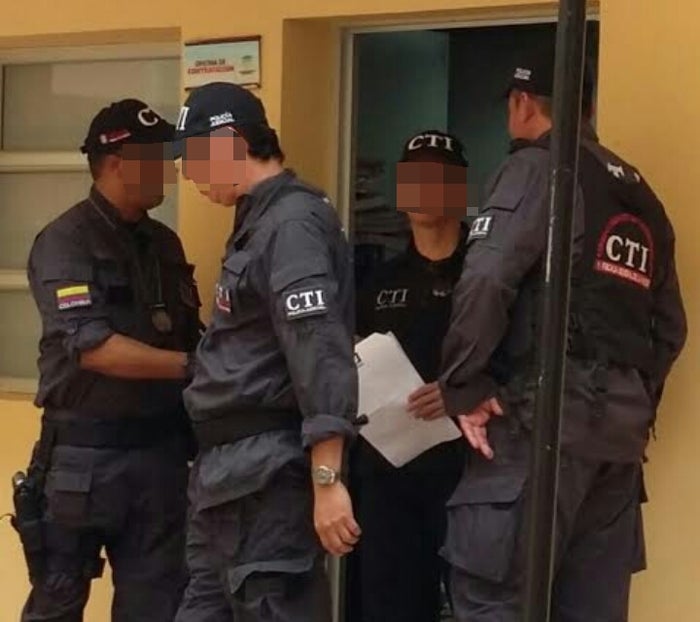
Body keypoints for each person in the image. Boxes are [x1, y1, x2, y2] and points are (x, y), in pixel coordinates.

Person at [411, 50, 687, 621]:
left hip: (536, 424)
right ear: (587, 107)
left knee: (496, 600)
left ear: (521, 103)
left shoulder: (539, 170)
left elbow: (487, 278)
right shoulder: (641, 197)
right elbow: (670, 329)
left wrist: (464, 384)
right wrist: (628, 400)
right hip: (617, 443)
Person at [171, 82, 360, 622]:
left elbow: (318, 352)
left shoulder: (291, 224)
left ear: (231, 142)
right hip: (225, 480)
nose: (189, 175)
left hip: (266, 480)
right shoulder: (258, 220)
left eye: (194, 157)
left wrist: (327, 480)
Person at [21, 99, 202, 622]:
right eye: (157, 158)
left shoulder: (164, 244)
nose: (168, 171)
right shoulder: (66, 241)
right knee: (57, 603)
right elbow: (94, 347)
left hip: (159, 458)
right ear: (118, 163)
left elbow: (187, 332)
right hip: (84, 459)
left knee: (158, 606)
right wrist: (195, 367)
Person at [347, 130, 469, 622]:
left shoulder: (486, 274)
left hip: (467, 472)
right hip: (388, 473)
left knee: (475, 602)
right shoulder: (378, 280)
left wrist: (458, 393)